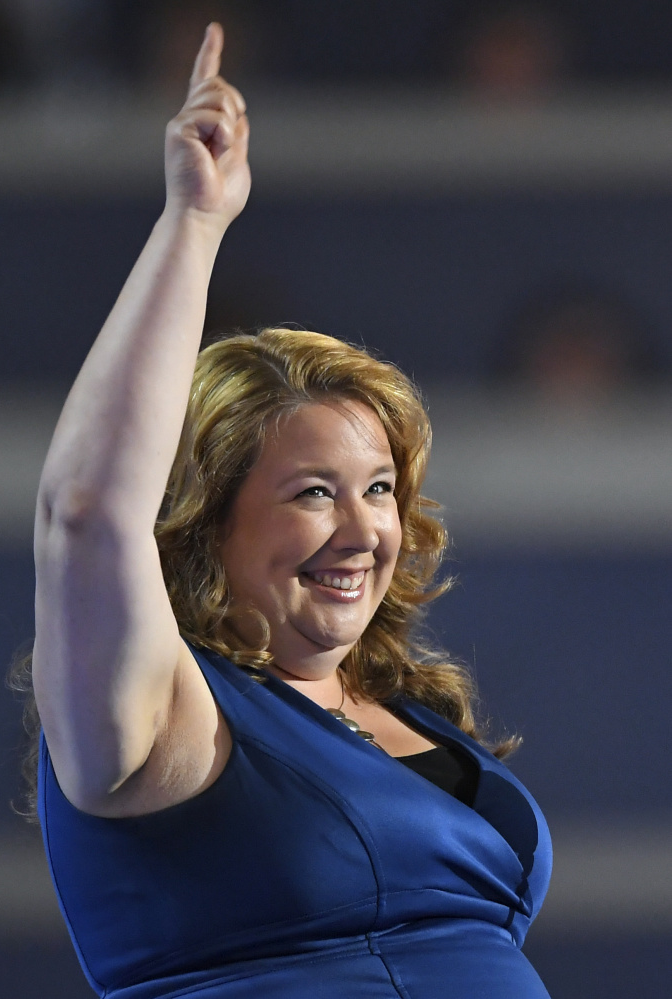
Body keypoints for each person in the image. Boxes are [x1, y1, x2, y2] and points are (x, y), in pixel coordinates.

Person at [30, 24, 552, 999]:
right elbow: (89, 511)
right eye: (314, 492)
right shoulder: (159, 717)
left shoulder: (406, 713)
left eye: (378, 488)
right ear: (206, 517)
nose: (363, 530)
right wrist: (194, 225)